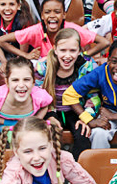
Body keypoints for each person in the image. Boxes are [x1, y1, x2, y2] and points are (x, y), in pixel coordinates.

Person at [63, 38, 117, 150]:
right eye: (114, 61)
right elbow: (69, 95)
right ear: (108, 60)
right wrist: (89, 120)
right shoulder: (101, 72)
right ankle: (98, 162)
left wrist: (114, 116)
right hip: (108, 116)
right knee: (98, 133)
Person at [36, 28, 96, 160]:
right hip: (51, 110)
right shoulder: (43, 66)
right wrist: (49, 116)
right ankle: (54, 169)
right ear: (55, 49)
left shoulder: (87, 66)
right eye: (63, 50)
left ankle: (76, 169)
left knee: (83, 136)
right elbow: (37, 95)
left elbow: (93, 96)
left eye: (72, 51)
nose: (67, 56)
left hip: (77, 111)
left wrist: (86, 117)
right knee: (48, 136)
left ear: (79, 51)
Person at [0, 0, 110, 63]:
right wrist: (25, 55)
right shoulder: (36, 30)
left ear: (64, 15)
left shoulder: (72, 29)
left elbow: (104, 42)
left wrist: (82, 56)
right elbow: (0, 41)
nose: (52, 16)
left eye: (57, 12)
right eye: (47, 12)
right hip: (46, 72)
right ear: (42, 16)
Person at [0, 56, 52, 129]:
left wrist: (34, 121)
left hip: (28, 129)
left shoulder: (41, 97)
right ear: (7, 82)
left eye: (26, 79)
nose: (21, 85)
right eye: (15, 80)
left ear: (33, 82)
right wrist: (10, 123)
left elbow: (45, 106)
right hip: (2, 129)